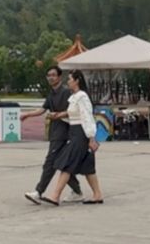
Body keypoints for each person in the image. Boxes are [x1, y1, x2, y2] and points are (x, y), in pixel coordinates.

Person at [39, 70, 104, 206]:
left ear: (77, 80)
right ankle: (97, 195)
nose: (68, 81)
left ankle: (55, 196)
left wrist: (91, 137)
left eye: (69, 79)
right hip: (74, 131)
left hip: (81, 134)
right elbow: (72, 115)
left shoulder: (82, 97)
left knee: (66, 164)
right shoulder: (74, 97)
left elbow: (87, 117)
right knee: (87, 167)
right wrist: (57, 115)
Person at [24, 66, 82, 204]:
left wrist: (59, 115)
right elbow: (43, 109)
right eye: (48, 75)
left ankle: (39, 191)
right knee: (61, 164)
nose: (50, 77)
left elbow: (74, 110)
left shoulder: (67, 93)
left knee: (50, 162)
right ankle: (77, 191)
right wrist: (28, 114)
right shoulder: (51, 94)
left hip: (65, 132)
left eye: (53, 75)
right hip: (55, 132)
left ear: (59, 77)